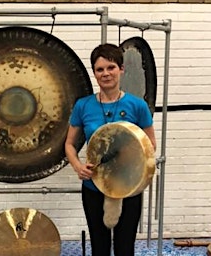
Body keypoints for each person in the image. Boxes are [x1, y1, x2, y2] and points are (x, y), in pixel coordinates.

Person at [64, 43, 156, 256]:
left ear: (121, 69)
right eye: (100, 69)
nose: (106, 74)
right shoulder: (83, 106)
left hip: (129, 186)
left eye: (111, 67)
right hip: (94, 186)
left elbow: (150, 144)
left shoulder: (137, 106)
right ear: (94, 73)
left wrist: (129, 161)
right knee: (100, 247)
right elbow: (69, 144)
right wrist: (78, 166)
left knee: (125, 248)